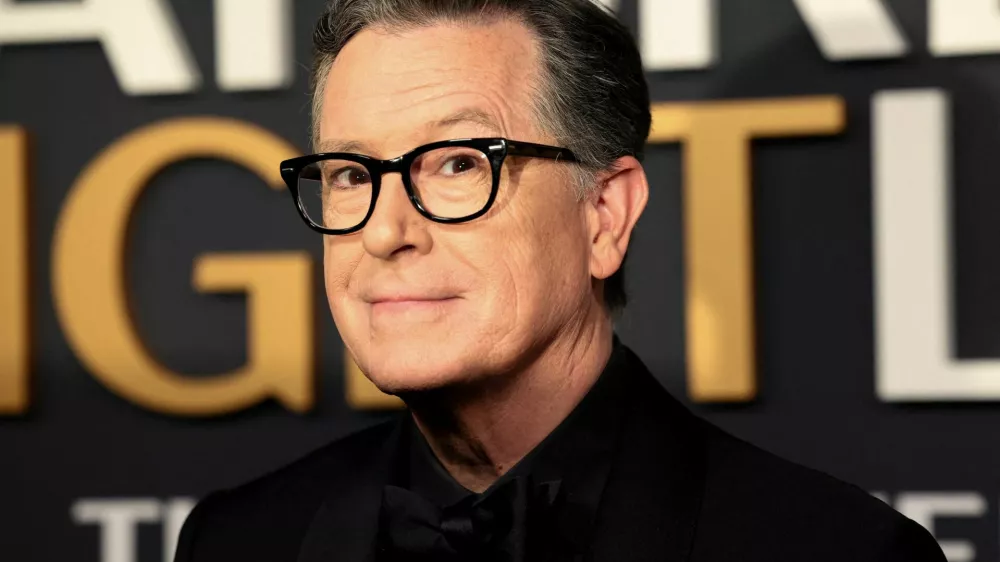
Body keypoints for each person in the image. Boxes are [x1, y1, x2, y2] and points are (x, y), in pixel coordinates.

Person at [173, 1, 947, 560]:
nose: (384, 232)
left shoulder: (839, 550)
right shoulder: (240, 539)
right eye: (350, 173)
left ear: (605, 214)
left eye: (458, 164)